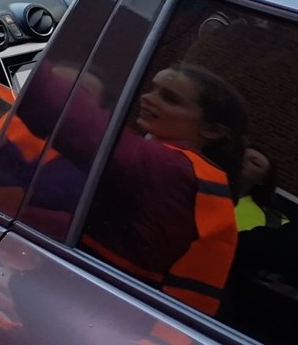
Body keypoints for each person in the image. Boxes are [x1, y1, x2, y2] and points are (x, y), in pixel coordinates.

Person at [73, 63, 247, 315]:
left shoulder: (172, 167)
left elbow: (73, 126)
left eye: (169, 99)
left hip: (101, 304)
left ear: (211, 130)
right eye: (152, 89)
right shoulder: (191, 170)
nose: (147, 98)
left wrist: (60, 79)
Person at [235, 146, 287, 231]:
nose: (242, 160)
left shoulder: (274, 221)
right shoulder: (208, 185)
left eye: (255, 163)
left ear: (262, 180)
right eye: (240, 155)